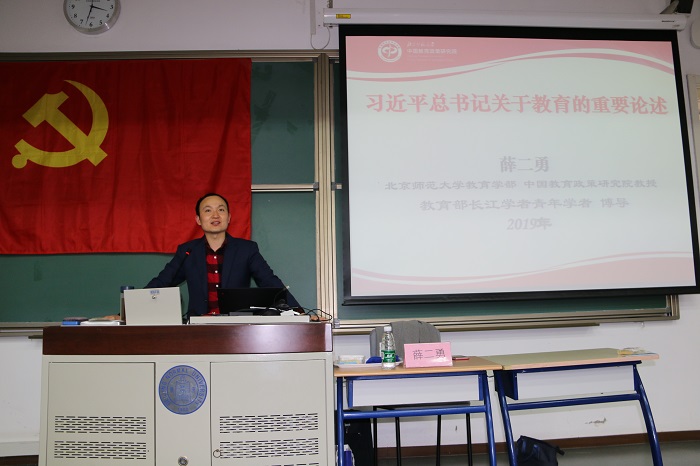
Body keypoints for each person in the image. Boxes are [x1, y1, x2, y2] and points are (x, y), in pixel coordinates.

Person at [146, 192, 300, 317]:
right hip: (197, 327)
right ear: (198, 220)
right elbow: (162, 282)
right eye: (208, 210)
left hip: (235, 327)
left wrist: (298, 312)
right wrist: (133, 307)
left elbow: (270, 282)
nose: (215, 215)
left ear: (229, 217)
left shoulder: (246, 249)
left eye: (221, 210)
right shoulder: (188, 251)